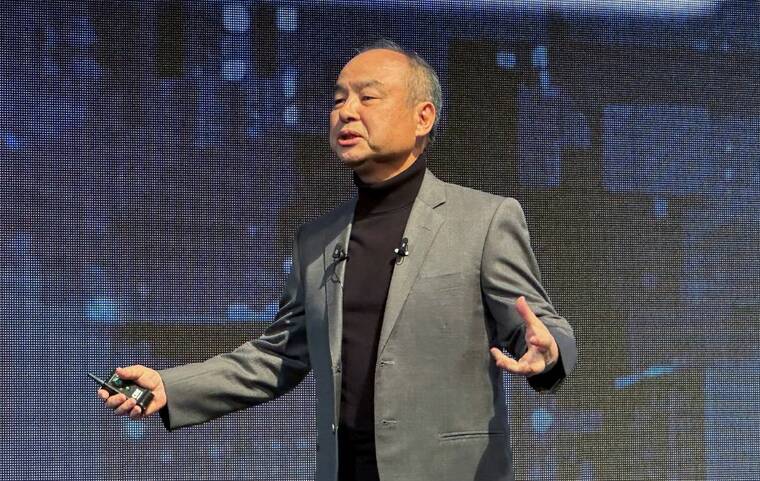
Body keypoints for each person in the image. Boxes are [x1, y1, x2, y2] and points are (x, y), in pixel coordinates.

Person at [98, 39, 577, 481]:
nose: (346, 111)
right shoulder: (318, 239)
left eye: (367, 98)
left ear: (422, 117)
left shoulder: (485, 219)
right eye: (337, 99)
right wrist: (170, 387)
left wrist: (548, 353)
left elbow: (540, 324)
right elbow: (280, 354)